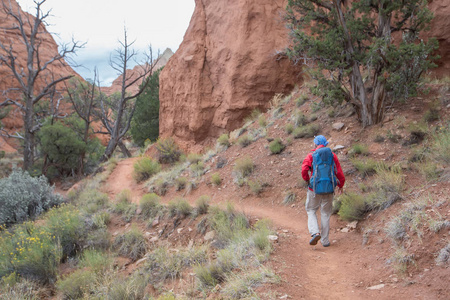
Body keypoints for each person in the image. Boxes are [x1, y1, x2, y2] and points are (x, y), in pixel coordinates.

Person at [301, 135, 345, 247]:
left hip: (314, 189)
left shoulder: (311, 155)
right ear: (325, 144)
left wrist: (307, 180)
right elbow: (339, 172)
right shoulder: (332, 155)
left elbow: (304, 169)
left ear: (315, 144)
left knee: (311, 210)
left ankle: (315, 232)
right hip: (329, 189)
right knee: (325, 214)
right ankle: (325, 241)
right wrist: (341, 185)